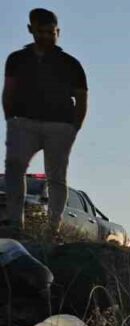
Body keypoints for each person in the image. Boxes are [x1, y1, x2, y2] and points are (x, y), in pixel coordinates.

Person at [3, 8, 88, 240]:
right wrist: (11, 120)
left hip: (59, 126)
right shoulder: (17, 60)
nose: (47, 37)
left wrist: (74, 128)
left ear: (58, 31)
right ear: (31, 30)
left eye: (52, 32)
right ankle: (15, 225)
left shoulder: (71, 64)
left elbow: (81, 97)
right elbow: (8, 92)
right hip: (24, 123)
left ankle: (53, 229)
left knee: (56, 177)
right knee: (14, 169)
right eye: (41, 32)